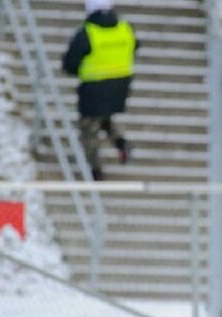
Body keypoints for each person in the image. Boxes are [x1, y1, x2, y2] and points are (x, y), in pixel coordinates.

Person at [62, 0, 136, 181]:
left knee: (88, 129)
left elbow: (70, 62)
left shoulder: (87, 32)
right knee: (104, 119)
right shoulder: (125, 28)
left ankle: (95, 170)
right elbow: (134, 48)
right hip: (120, 85)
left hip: (93, 86)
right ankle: (121, 142)